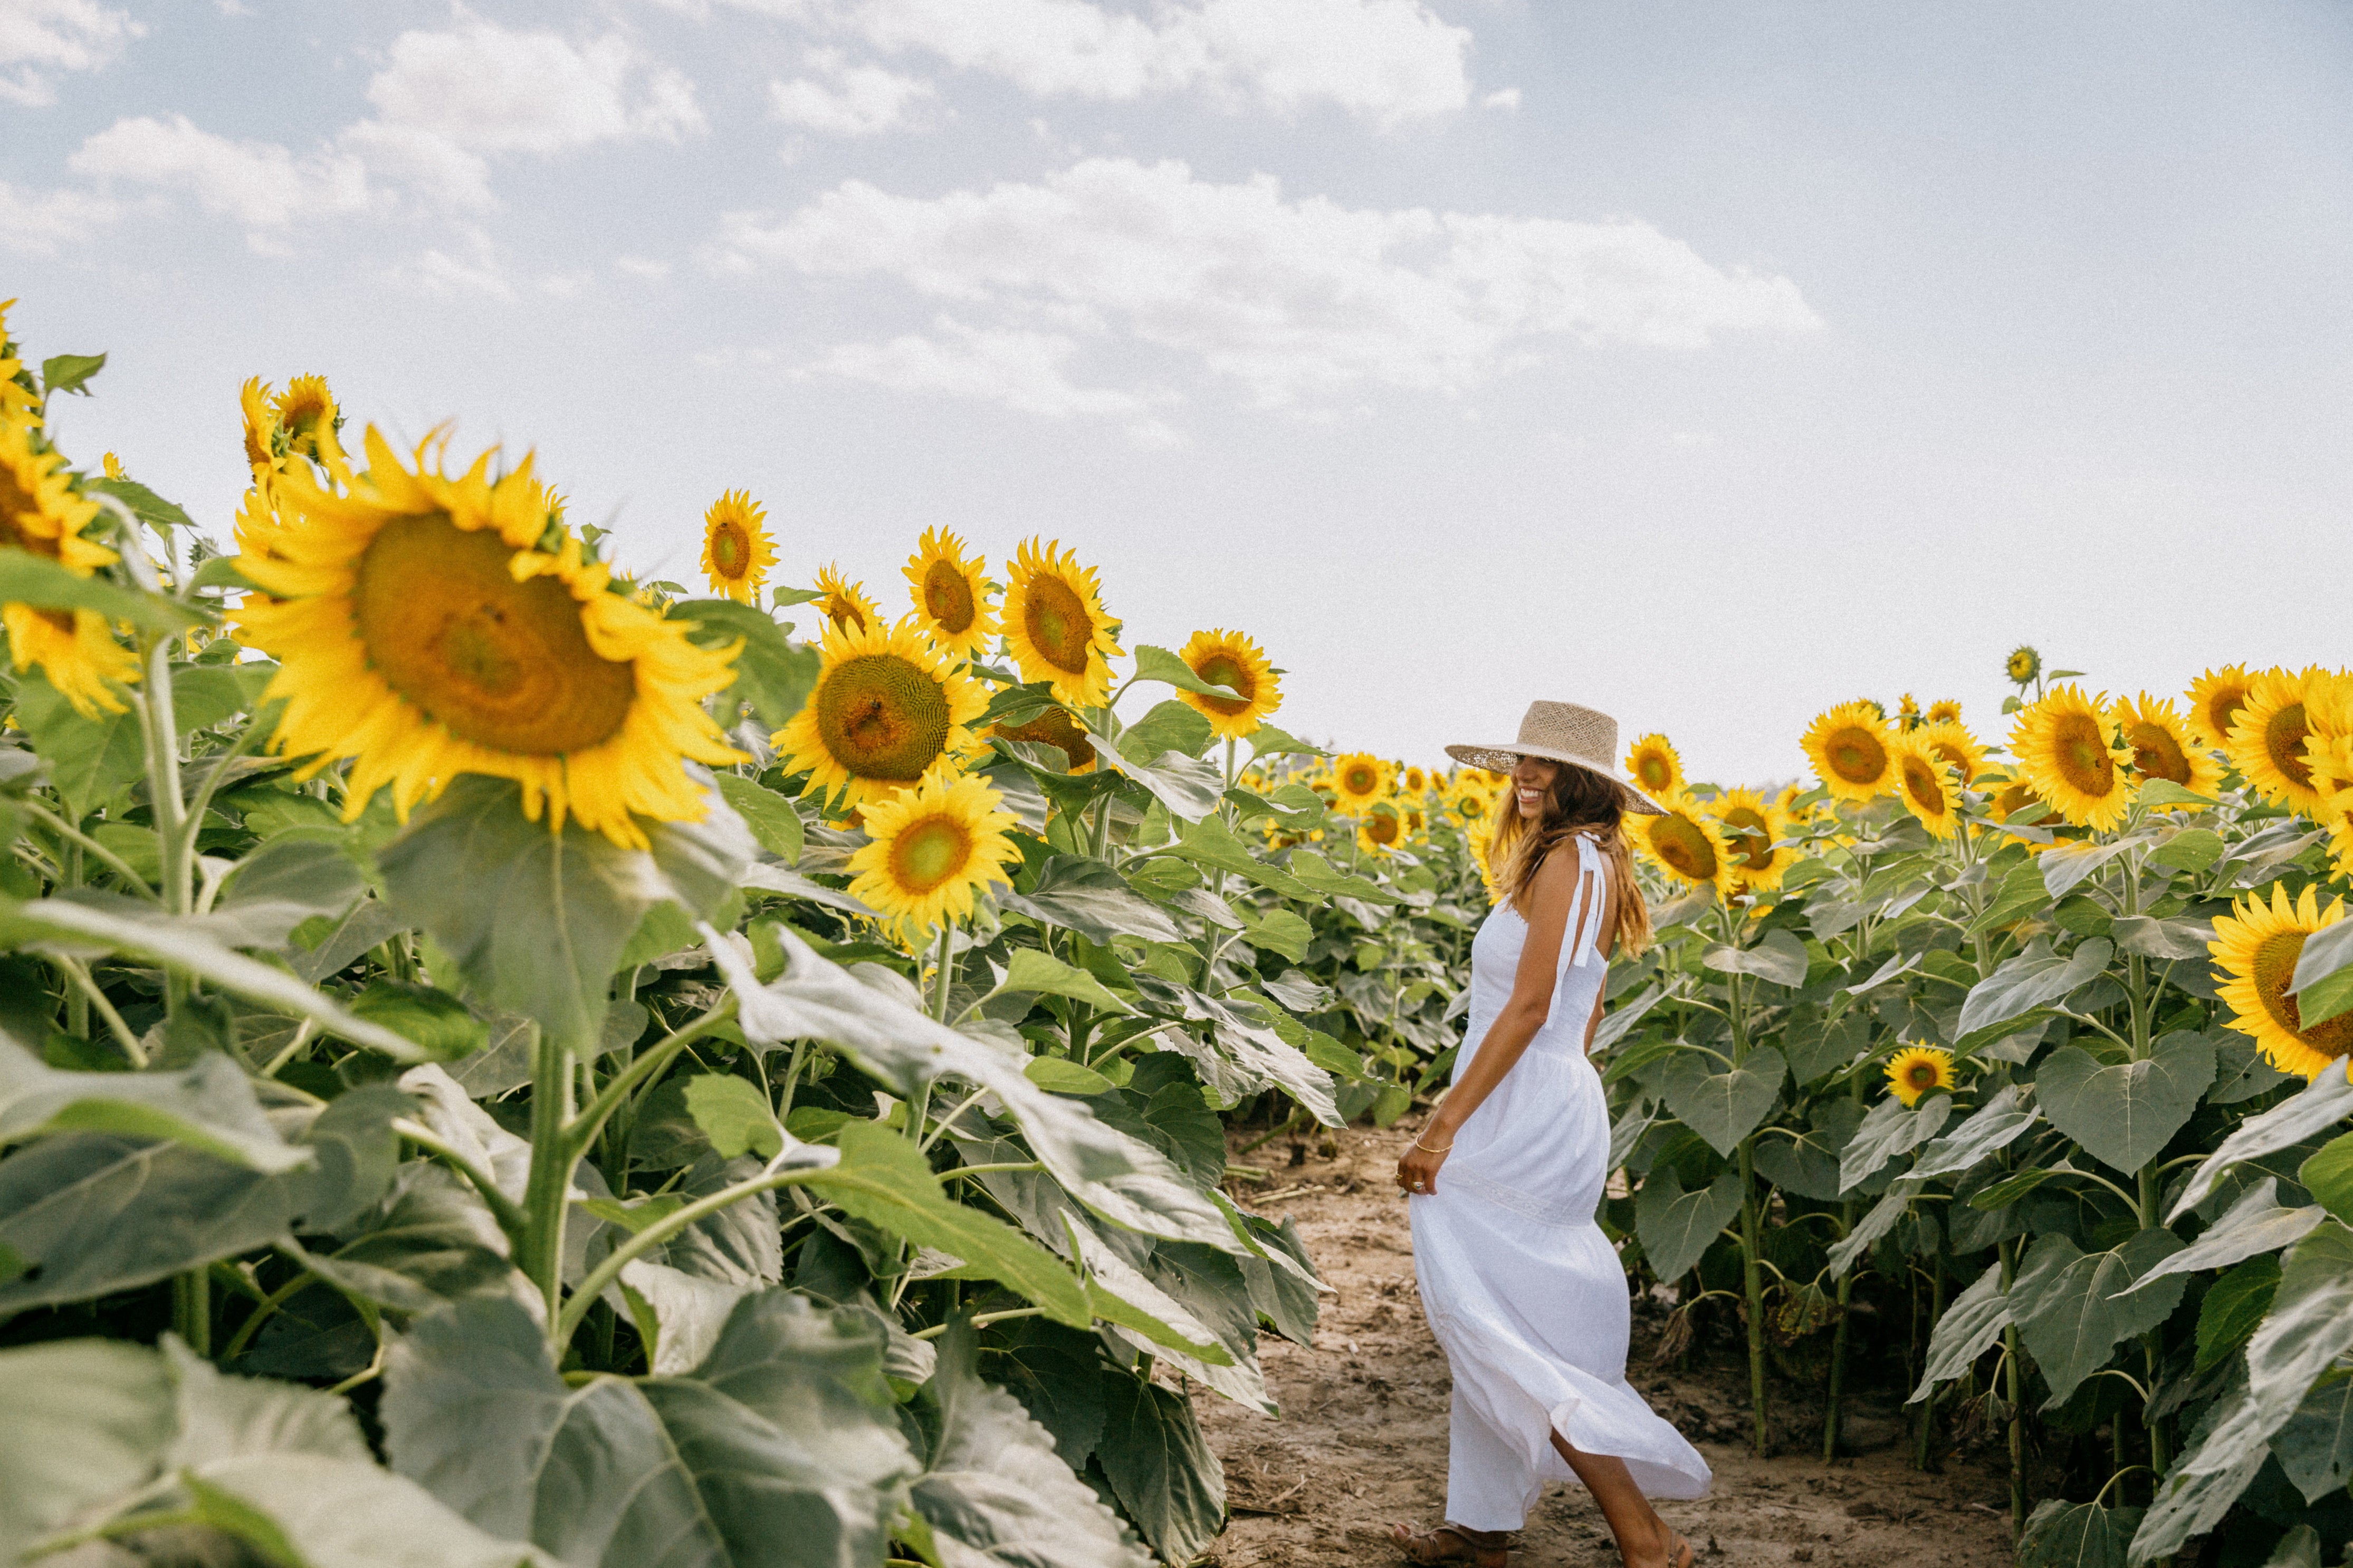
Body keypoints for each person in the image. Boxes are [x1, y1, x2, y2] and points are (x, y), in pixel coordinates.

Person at [1390, 701, 1712, 1568]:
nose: (1524, 779)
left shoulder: (1571, 860)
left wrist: (1442, 1122)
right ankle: (1481, 1525)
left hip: (1520, 1106)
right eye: (1521, 765)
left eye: (1546, 768)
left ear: (1588, 783)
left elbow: (1533, 1007)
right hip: (1545, 1096)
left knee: (1500, 1319)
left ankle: (1646, 1535)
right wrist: (1557, 1092)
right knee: (1497, 1306)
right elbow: (1587, 1008)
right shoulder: (1592, 861)